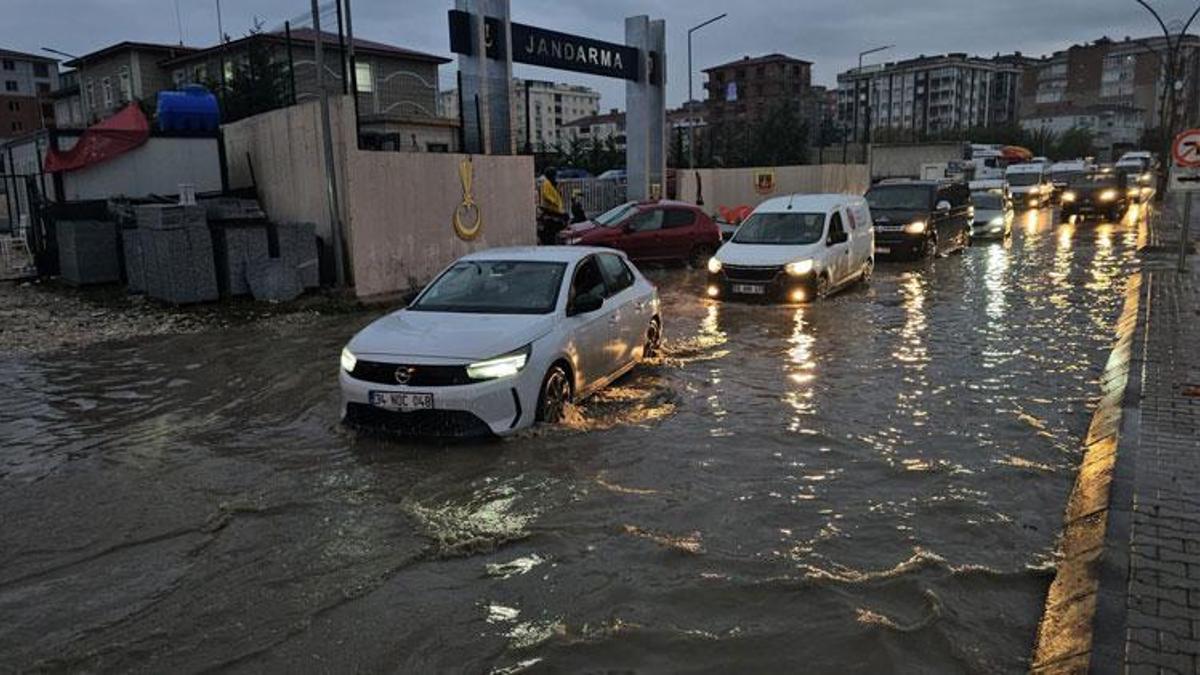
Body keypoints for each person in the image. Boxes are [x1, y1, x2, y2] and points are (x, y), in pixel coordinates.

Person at [537, 168, 567, 244]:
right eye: (554, 175)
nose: (555, 177)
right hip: (550, 209)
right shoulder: (546, 183)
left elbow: (556, 194)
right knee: (553, 227)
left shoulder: (551, 183)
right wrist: (554, 202)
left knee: (564, 219)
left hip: (555, 209)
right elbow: (547, 195)